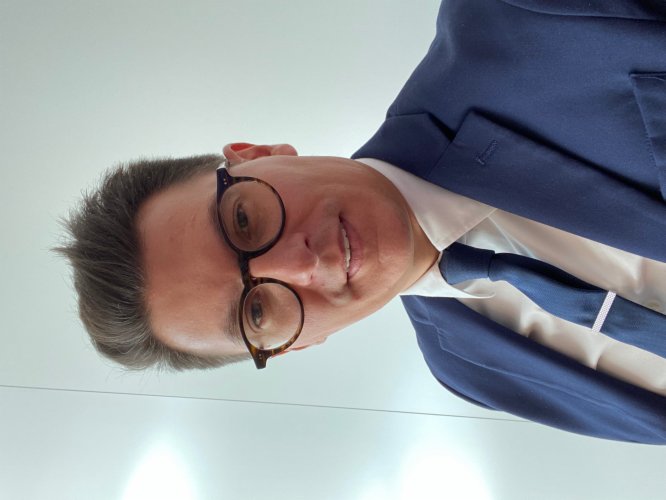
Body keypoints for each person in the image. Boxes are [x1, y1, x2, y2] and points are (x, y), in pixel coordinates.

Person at [58, 0, 666, 443]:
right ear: (295, 345)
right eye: (257, 311)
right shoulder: (470, 372)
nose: (300, 264)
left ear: (257, 154)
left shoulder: (519, 18)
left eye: (243, 221)